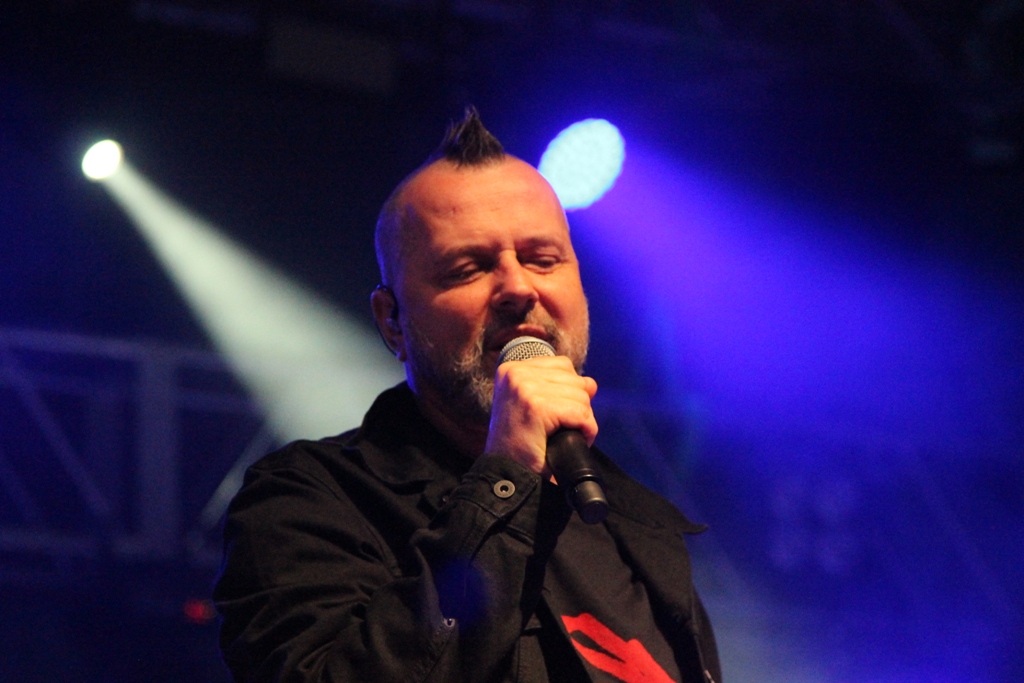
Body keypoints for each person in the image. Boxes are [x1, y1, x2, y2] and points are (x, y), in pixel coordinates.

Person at [214, 108, 721, 683]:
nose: (518, 288)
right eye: (467, 269)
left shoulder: (636, 527)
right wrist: (508, 475)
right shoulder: (307, 501)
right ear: (392, 322)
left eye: (543, 259)